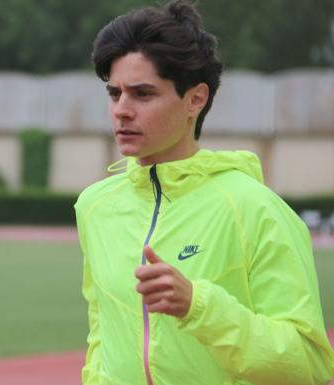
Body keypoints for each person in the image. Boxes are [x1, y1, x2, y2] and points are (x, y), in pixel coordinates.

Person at [74, 1, 334, 384]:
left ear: (195, 99)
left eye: (142, 94)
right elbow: (101, 341)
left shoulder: (254, 208)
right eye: (115, 94)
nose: (121, 111)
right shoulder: (95, 206)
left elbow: (307, 365)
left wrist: (199, 306)